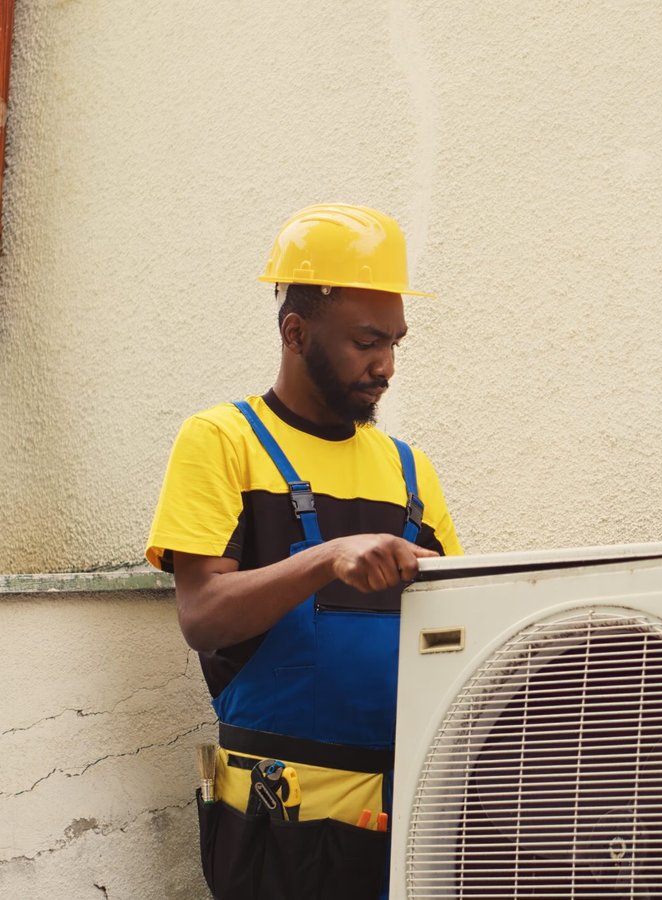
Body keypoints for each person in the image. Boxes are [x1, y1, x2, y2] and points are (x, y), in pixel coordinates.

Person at [146, 203, 462, 899]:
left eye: (395, 343)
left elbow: (460, 629)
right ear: (295, 331)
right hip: (280, 831)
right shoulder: (223, 441)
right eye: (366, 342)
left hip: (406, 822)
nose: (385, 367)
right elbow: (201, 615)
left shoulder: (410, 471)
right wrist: (325, 559)